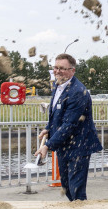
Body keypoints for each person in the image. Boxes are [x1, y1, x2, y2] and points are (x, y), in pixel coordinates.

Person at [34, 53, 102, 201]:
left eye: (62, 68)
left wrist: (47, 146)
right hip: (64, 146)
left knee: (76, 188)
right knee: (66, 186)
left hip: (79, 145)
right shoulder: (57, 85)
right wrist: (49, 128)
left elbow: (70, 124)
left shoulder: (77, 92)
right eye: (56, 68)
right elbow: (57, 114)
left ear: (72, 70)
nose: (58, 71)